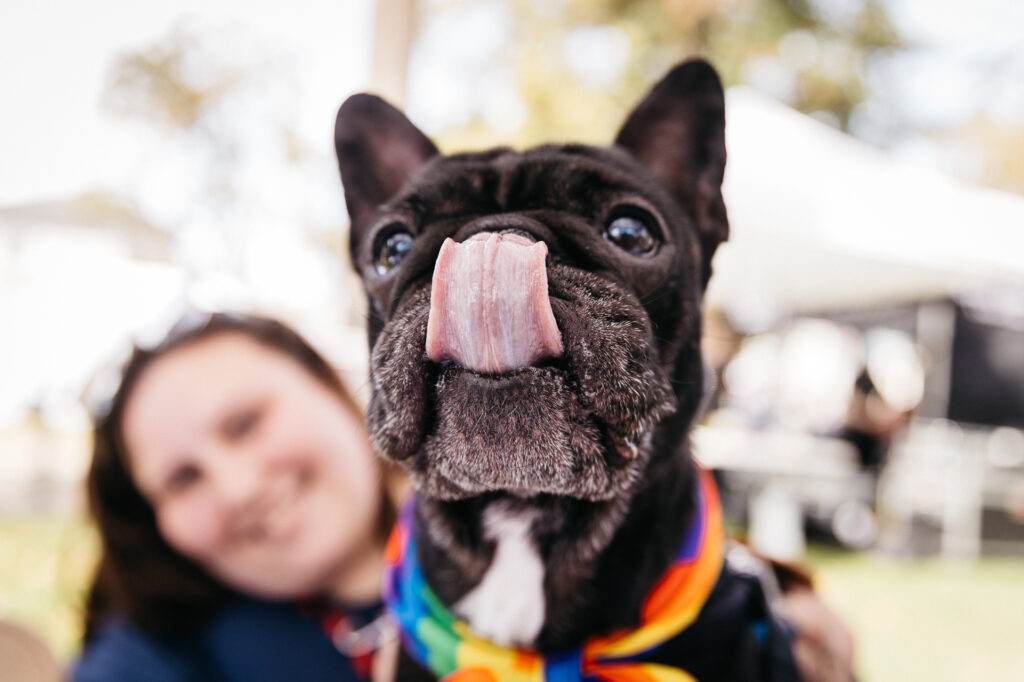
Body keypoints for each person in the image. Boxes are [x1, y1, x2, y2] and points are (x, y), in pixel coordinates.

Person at [73, 312, 405, 682]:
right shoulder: (157, 653)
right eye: (183, 479)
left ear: (326, 384)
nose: (238, 490)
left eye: (245, 424)